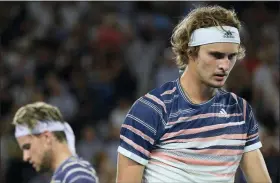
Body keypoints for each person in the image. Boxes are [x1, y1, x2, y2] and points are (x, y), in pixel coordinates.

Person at [116, 5, 271, 183]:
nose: (225, 66)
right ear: (191, 52)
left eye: (231, 56)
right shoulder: (150, 110)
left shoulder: (241, 110)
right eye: (216, 55)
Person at [12, 102, 99, 183]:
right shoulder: (68, 174)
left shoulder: (76, 174)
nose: (25, 157)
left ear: (47, 138)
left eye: (27, 147)